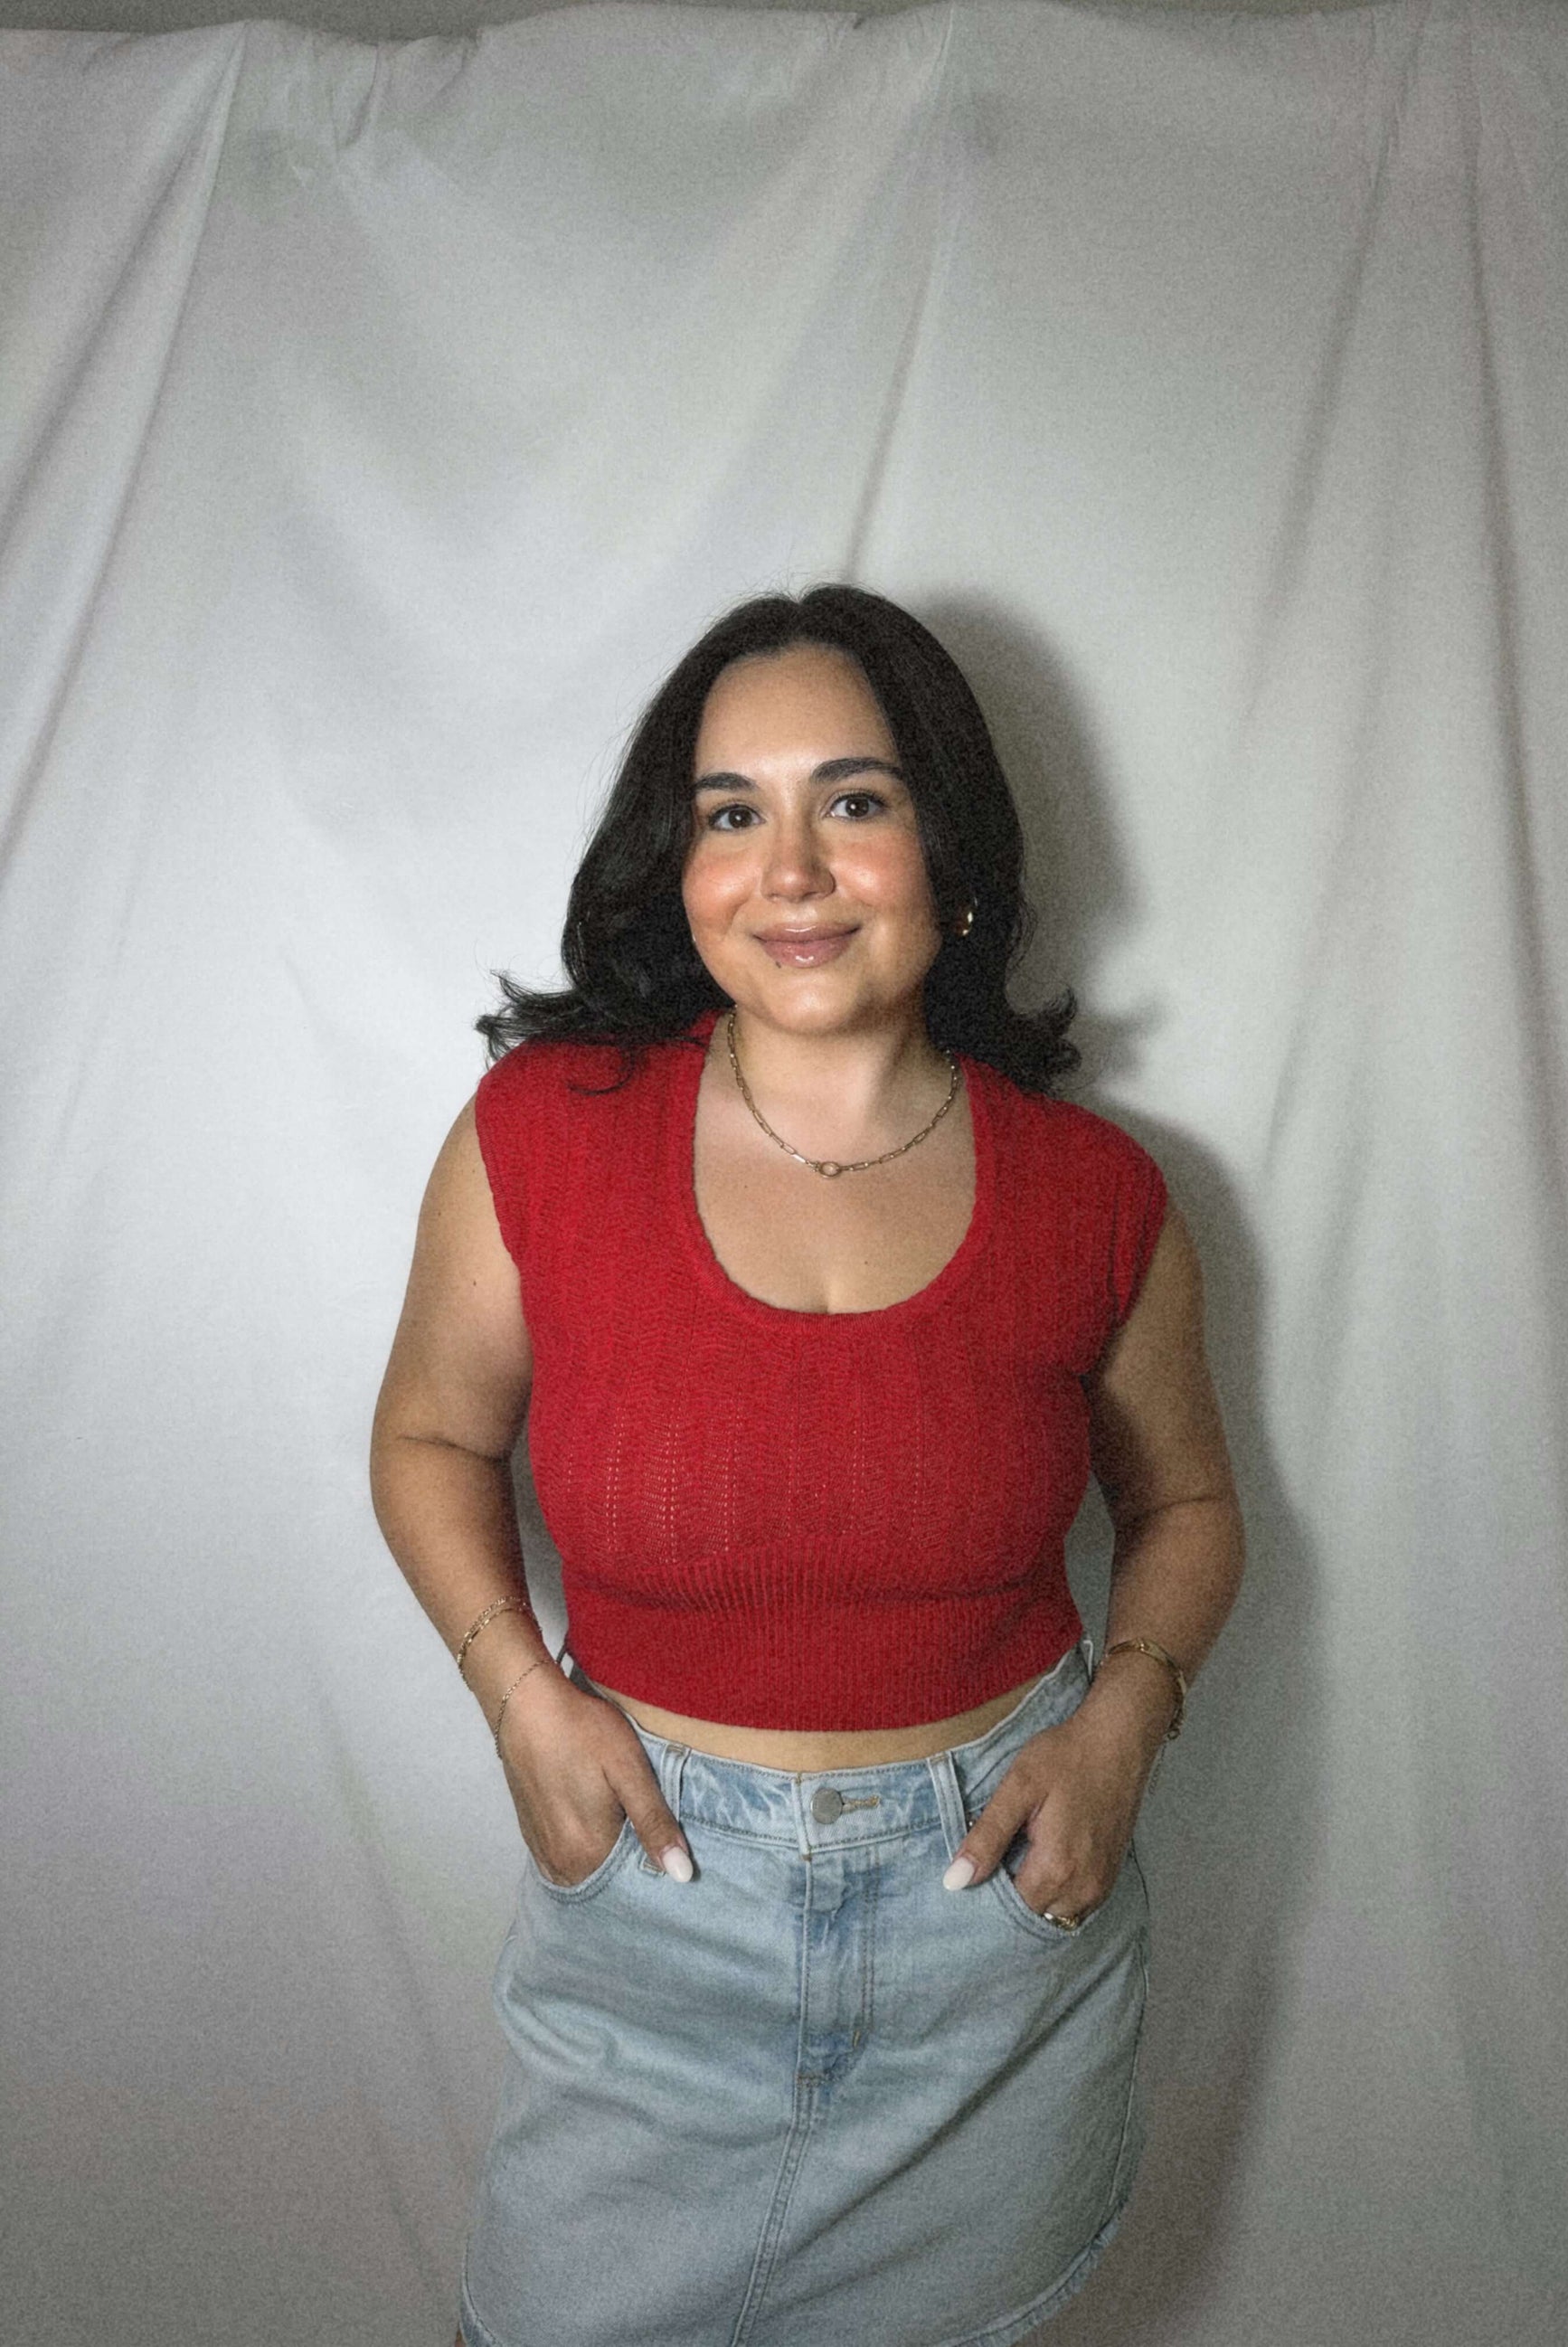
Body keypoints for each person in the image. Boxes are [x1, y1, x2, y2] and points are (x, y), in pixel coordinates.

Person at [369, 583, 1245, 2347]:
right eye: (728, 812)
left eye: (851, 800)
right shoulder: (542, 1136)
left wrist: (1123, 1724)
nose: (788, 867)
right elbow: (429, 1436)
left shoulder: (1098, 1193)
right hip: (658, 1919)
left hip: (990, 1947)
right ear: (674, 863)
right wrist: (519, 1695)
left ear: (951, 843)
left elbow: (1190, 1508)